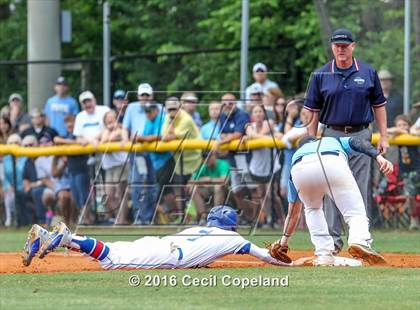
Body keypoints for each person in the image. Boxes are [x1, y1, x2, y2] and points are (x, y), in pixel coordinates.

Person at [304, 28, 388, 253]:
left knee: (359, 188)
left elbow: (379, 106)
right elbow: (312, 110)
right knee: (331, 187)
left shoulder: (368, 72)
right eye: (337, 45)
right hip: (331, 134)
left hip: (361, 134)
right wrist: (312, 139)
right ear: (332, 47)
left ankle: (360, 241)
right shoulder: (320, 75)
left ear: (353, 46)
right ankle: (333, 242)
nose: (341, 49)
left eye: (345, 45)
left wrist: (384, 136)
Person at [22, 205, 293, 269]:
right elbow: (267, 257)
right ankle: (66, 236)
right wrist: (288, 263)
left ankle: (52, 235)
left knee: (112, 250)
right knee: (113, 258)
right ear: (232, 227)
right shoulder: (234, 240)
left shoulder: (197, 228)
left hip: (160, 242)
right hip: (169, 254)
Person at [273, 135, 393, 266]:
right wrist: (378, 156)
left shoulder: (298, 154)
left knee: (312, 209)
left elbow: (293, 215)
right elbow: (357, 142)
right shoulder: (333, 140)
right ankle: (359, 240)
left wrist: (283, 242)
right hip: (332, 160)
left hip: (299, 168)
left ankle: (324, 254)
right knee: (354, 212)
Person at [121, 83, 158, 224]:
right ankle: (138, 217)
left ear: (152, 95)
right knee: (137, 182)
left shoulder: (159, 108)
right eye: (142, 95)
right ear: (138, 96)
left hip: (154, 152)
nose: (145, 98)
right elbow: (125, 128)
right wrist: (125, 140)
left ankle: (148, 217)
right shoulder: (132, 107)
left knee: (152, 184)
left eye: (147, 95)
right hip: (138, 151)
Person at [217, 93, 254, 222]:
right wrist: (226, 139)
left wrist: (223, 141)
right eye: (224, 103)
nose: (227, 105)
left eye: (230, 103)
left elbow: (237, 134)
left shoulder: (242, 114)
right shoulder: (222, 115)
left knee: (252, 189)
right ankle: (247, 218)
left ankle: (261, 219)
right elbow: (222, 134)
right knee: (236, 190)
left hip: (245, 157)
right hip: (232, 158)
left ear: (236, 103)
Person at [162, 97, 202, 218]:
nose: (172, 112)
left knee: (194, 190)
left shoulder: (186, 119)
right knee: (177, 189)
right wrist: (170, 134)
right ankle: (182, 217)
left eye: (175, 109)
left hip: (195, 160)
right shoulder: (168, 118)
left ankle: (202, 218)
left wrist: (171, 134)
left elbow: (170, 137)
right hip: (180, 161)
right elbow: (164, 136)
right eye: (169, 109)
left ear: (180, 108)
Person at [246, 104, 283, 226]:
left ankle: (283, 219)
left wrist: (254, 138)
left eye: (260, 111)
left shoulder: (270, 123)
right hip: (256, 166)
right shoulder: (250, 126)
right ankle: (267, 219)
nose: (258, 114)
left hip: (271, 165)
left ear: (264, 113)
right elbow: (250, 134)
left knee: (273, 195)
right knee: (261, 195)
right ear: (252, 115)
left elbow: (279, 136)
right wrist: (264, 138)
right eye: (255, 112)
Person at [139, 103, 175, 220]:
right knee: (165, 192)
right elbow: (146, 137)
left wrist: (141, 138)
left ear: (156, 110)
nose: (148, 113)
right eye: (146, 111)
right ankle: (171, 216)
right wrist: (143, 138)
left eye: (150, 110)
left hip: (166, 161)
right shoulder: (148, 121)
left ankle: (172, 215)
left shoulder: (162, 119)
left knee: (162, 193)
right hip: (155, 162)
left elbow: (158, 136)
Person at [387, 115, 420, 230]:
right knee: (410, 196)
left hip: (417, 169)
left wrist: (404, 130)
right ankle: (413, 219)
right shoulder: (398, 136)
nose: (402, 127)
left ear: (409, 125)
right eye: (399, 125)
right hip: (406, 170)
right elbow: (387, 131)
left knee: (414, 195)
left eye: (404, 124)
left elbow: (411, 131)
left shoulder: (411, 133)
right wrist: (397, 130)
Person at [96, 110, 129, 224]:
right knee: (109, 195)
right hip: (109, 166)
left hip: (121, 164)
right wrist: (98, 141)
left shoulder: (121, 129)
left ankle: (122, 220)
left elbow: (124, 139)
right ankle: (118, 217)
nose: (110, 120)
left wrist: (106, 140)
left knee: (121, 193)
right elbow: (95, 140)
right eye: (108, 118)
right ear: (104, 121)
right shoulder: (103, 132)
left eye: (112, 117)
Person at [54, 115, 90, 213]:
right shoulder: (66, 135)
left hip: (82, 169)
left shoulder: (80, 135)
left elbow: (80, 141)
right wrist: (68, 142)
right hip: (72, 169)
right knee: (76, 194)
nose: (69, 124)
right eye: (67, 122)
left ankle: (87, 217)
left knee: (83, 194)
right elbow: (56, 140)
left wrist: (66, 142)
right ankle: (83, 217)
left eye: (71, 121)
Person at [188, 152, 230, 224]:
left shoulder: (222, 164)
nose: (206, 160)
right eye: (204, 158)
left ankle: (216, 216)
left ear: (214, 156)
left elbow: (224, 180)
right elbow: (190, 182)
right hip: (209, 191)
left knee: (218, 187)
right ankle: (203, 217)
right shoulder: (203, 166)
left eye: (209, 157)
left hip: (227, 191)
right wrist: (202, 182)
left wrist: (209, 180)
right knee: (193, 188)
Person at [2, 134, 28, 226]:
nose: (14, 144)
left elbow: (27, 176)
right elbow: (5, 177)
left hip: (24, 186)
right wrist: (9, 187)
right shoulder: (5, 159)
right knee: (9, 195)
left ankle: (21, 220)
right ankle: (10, 218)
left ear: (20, 144)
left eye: (16, 142)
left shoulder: (26, 157)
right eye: (11, 143)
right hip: (11, 187)